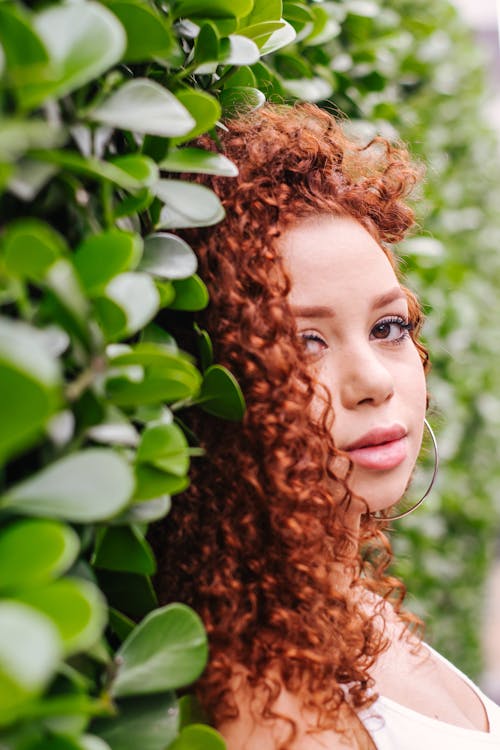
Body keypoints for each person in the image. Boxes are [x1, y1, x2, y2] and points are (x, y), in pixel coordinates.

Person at [151, 103, 500, 748]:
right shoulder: (266, 690)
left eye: (387, 327)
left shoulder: (335, 593)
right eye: (302, 343)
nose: (373, 381)